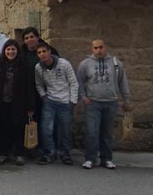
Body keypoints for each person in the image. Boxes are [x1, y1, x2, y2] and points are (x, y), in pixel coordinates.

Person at [77, 39, 133, 170]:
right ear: (92, 49)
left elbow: (123, 83)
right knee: (92, 132)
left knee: (107, 133)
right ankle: (90, 159)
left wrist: (127, 101)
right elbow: (79, 82)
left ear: (105, 47)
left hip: (111, 103)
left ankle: (106, 159)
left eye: (100, 47)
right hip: (93, 103)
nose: (98, 50)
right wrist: (83, 97)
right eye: (95, 48)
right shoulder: (85, 64)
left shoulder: (116, 63)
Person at [0, 39, 35, 166]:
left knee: (19, 128)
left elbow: (30, 87)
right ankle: (3, 153)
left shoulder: (24, 67)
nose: (11, 52)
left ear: (17, 51)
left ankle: (19, 154)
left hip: (19, 103)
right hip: (2, 102)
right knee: (3, 128)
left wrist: (30, 106)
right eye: (8, 49)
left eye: (13, 49)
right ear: (4, 51)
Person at [35, 42, 78, 165]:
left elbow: (73, 83)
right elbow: (38, 84)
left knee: (65, 130)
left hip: (65, 101)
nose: (42, 54)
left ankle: (65, 154)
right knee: (46, 129)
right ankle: (50, 153)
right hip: (50, 101)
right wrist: (43, 96)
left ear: (49, 52)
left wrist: (72, 101)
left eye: (44, 51)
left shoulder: (64, 64)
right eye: (39, 53)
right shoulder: (38, 67)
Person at [21, 26, 60, 156]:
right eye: (26, 38)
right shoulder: (22, 53)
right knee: (32, 120)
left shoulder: (49, 50)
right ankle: (32, 146)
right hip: (29, 92)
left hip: (48, 92)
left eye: (32, 37)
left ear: (38, 37)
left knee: (48, 122)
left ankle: (48, 149)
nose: (29, 40)